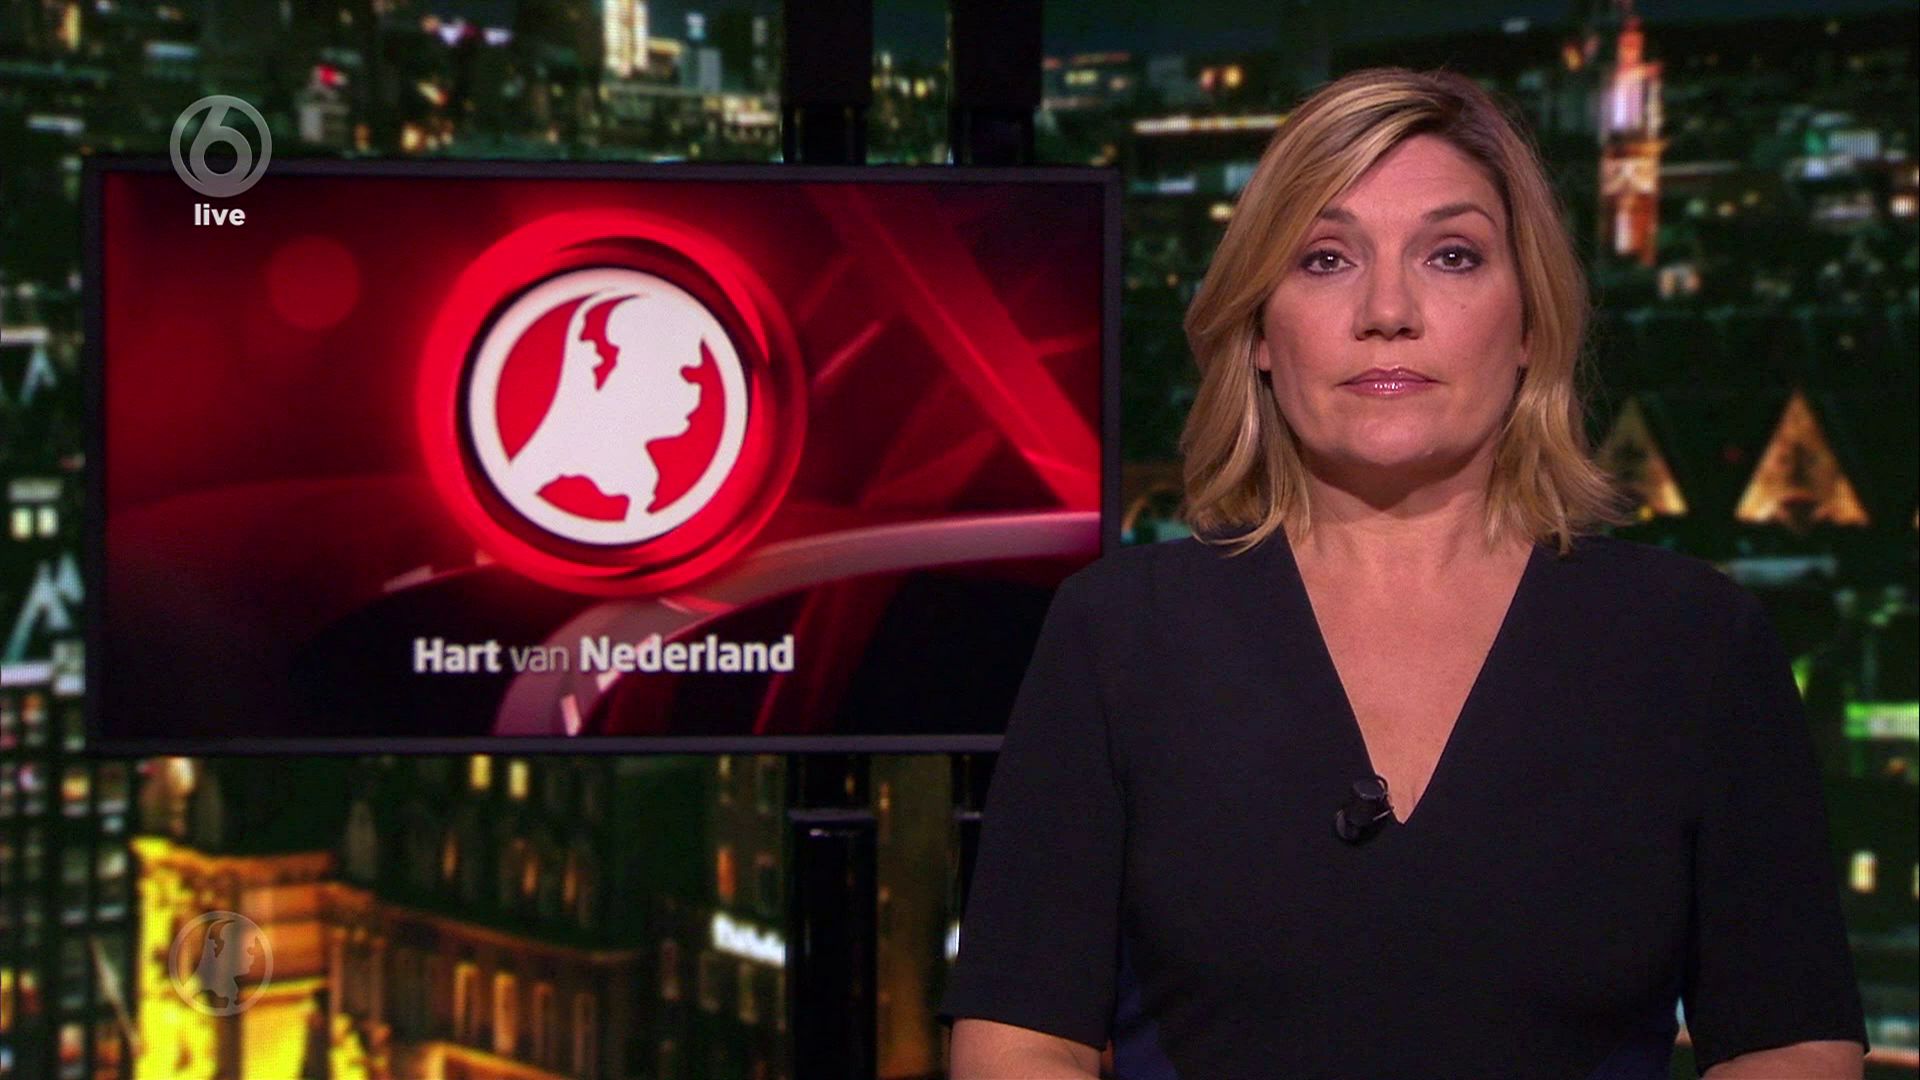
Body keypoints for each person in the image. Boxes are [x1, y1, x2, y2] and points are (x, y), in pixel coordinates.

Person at [938, 68, 1870, 1079]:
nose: (1388, 309)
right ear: (1259, 328)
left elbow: (1791, 1044)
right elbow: (1017, 1041)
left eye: (1452, 255)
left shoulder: (1693, 643)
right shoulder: (1119, 634)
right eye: (1326, 259)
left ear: (1531, 323)